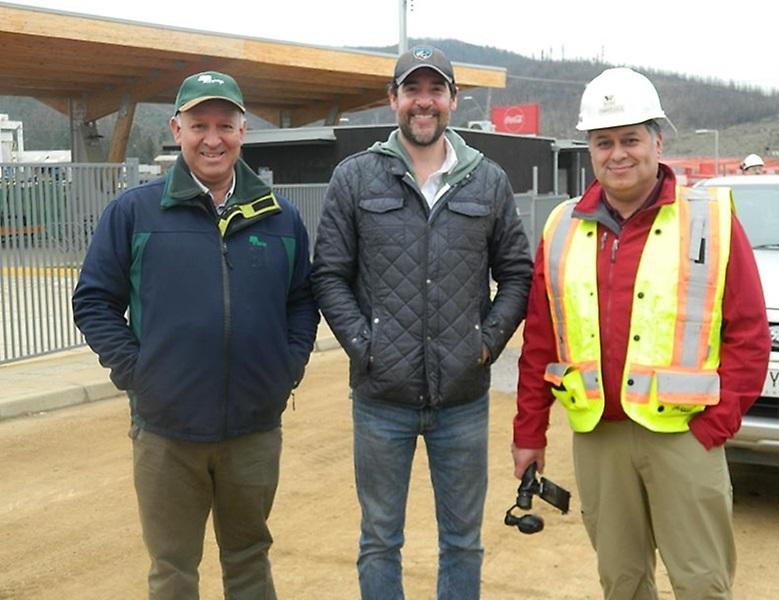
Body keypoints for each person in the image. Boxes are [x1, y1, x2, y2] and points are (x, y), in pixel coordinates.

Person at [512, 67, 771, 600]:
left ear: (657, 139)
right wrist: (529, 433)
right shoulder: (561, 227)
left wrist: (715, 427)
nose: (618, 154)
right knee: (622, 584)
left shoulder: (710, 219)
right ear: (589, 149)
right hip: (599, 438)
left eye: (630, 138)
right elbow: (541, 339)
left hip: (685, 437)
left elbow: (748, 332)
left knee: (702, 584)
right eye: (604, 142)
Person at [72, 70, 319, 599]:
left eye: (224, 125)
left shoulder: (280, 219)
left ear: (243, 131)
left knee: (250, 559)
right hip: (166, 434)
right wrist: (139, 375)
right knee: (172, 568)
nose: (213, 138)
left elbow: (302, 301)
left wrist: (287, 367)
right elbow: (94, 301)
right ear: (176, 129)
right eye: (199, 124)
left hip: (253, 431)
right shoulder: (134, 212)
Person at [311, 46, 531, 600]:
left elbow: (517, 274)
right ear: (393, 100)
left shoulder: (487, 181)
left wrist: (484, 345)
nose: (423, 102)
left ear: (453, 100)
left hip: (462, 398)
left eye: (436, 90)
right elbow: (329, 275)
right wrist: (366, 347)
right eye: (413, 90)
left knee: (462, 542)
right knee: (380, 539)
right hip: (381, 398)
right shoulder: (355, 178)